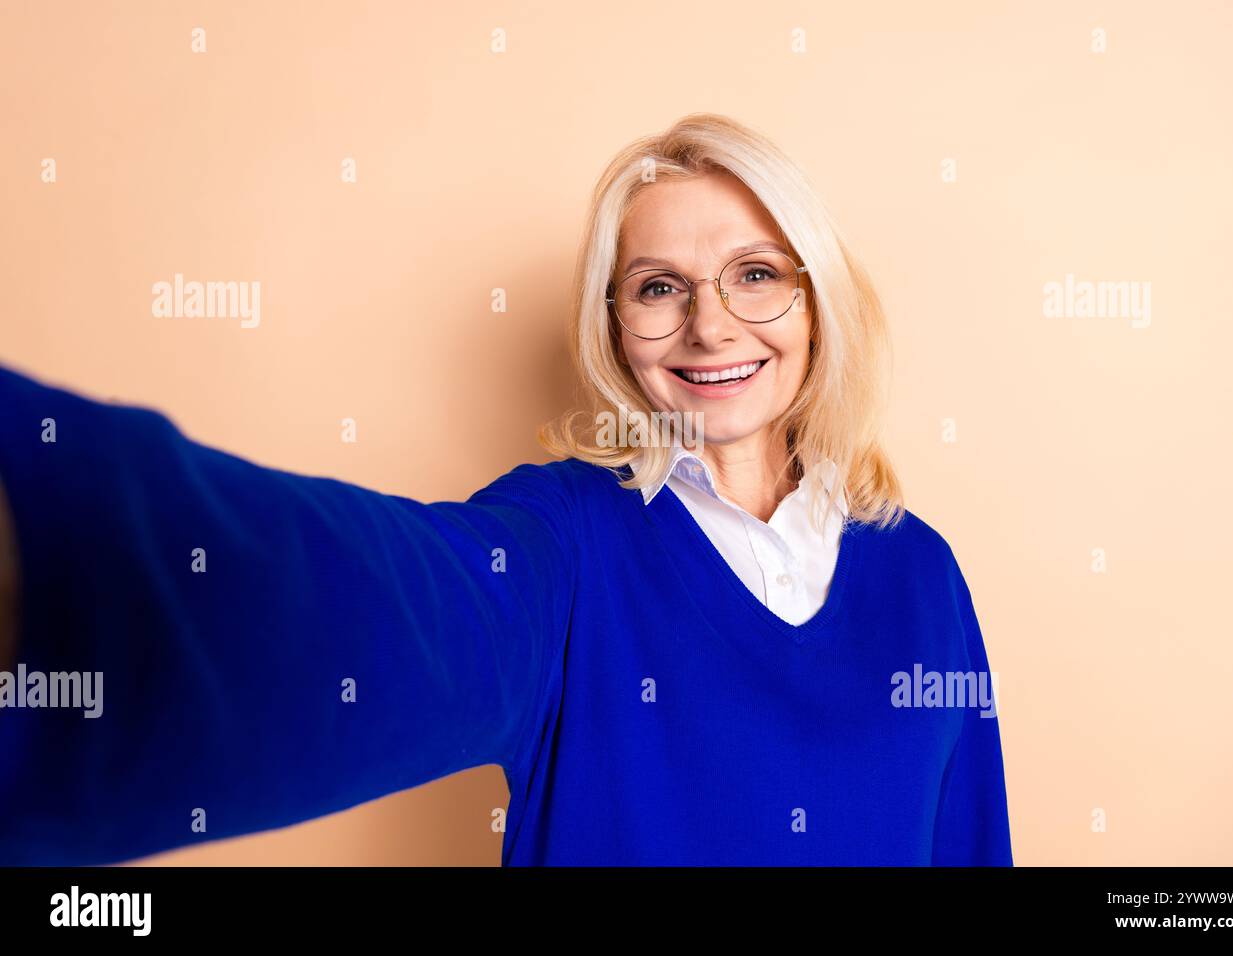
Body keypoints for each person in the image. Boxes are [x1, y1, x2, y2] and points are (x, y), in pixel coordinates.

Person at [0, 113, 1012, 866]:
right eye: (659, 287)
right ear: (613, 324)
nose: (709, 326)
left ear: (816, 299)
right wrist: (55, 546)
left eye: (755, 273)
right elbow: (374, 608)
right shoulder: (564, 540)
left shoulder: (922, 569)